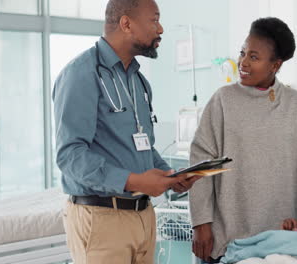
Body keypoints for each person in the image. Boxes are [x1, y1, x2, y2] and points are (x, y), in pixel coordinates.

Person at [53, 0, 201, 263]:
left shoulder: (138, 81)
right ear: (126, 24)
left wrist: (170, 175)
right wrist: (134, 181)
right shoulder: (81, 74)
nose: (161, 29)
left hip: (143, 216)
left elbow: (142, 147)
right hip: (101, 219)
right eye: (154, 20)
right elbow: (71, 156)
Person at [189, 17, 297, 263]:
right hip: (228, 238)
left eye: (254, 57)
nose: (242, 63)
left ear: (276, 64)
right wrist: (200, 222)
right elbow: (201, 165)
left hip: (282, 240)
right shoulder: (223, 101)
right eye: (242, 53)